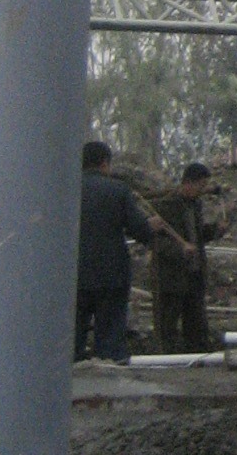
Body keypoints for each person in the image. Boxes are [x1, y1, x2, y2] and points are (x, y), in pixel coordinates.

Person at [76, 140, 182, 363]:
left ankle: (73, 373)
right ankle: (110, 371)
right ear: (105, 163)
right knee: (110, 333)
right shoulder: (117, 190)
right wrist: (150, 226)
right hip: (111, 273)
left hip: (73, 274)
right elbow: (138, 229)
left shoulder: (67, 190)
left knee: (73, 332)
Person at [150, 161, 220, 353]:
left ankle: (196, 355)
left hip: (194, 274)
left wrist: (215, 230)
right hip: (171, 276)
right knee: (167, 324)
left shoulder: (195, 205)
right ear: (188, 182)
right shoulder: (165, 206)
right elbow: (155, 241)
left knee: (196, 323)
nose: (203, 191)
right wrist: (180, 250)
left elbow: (196, 235)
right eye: (201, 186)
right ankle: (166, 357)